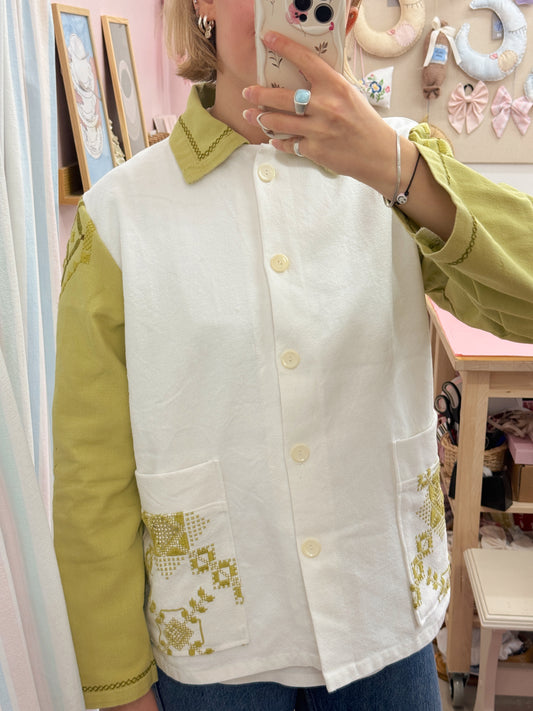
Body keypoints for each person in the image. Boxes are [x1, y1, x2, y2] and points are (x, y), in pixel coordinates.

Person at [52, 1, 533, 710]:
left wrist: (399, 171)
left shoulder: (405, 164)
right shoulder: (121, 214)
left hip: (383, 616)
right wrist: (118, 687)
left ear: (350, 11)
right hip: (218, 648)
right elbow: (89, 474)